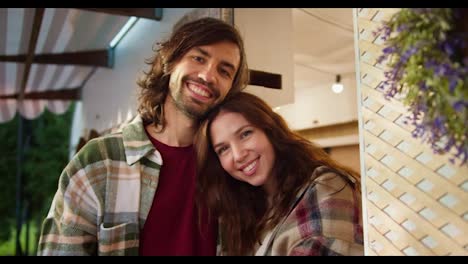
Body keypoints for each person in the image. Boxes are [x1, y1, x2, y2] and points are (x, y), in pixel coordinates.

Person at [37, 17, 249, 256]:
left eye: (224, 71)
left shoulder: (234, 167)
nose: (208, 76)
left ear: (231, 89)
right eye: (198, 58)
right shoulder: (99, 162)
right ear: (170, 62)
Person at [194, 92, 364, 256]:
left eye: (245, 134)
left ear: (270, 130)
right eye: (223, 149)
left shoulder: (326, 186)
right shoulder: (237, 214)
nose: (238, 155)